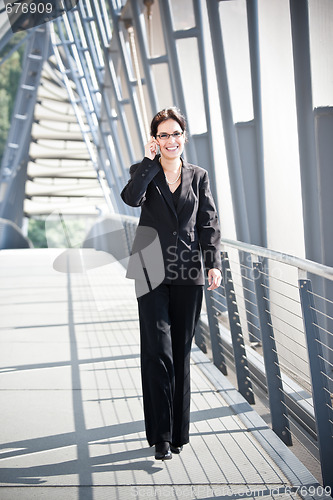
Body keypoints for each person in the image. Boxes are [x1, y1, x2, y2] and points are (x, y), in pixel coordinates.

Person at [121, 107, 221, 460]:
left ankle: (179, 435)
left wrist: (213, 263)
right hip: (149, 268)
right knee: (157, 350)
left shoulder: (199, 176)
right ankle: (160, 436)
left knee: (180, 352)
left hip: (188, 271)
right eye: (163, 135)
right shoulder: (143, 173)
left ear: (184, 136)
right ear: (155, 140)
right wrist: (148, 164)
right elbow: (131, 198)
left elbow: (208, 221)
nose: (171, 140)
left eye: (175, 133)